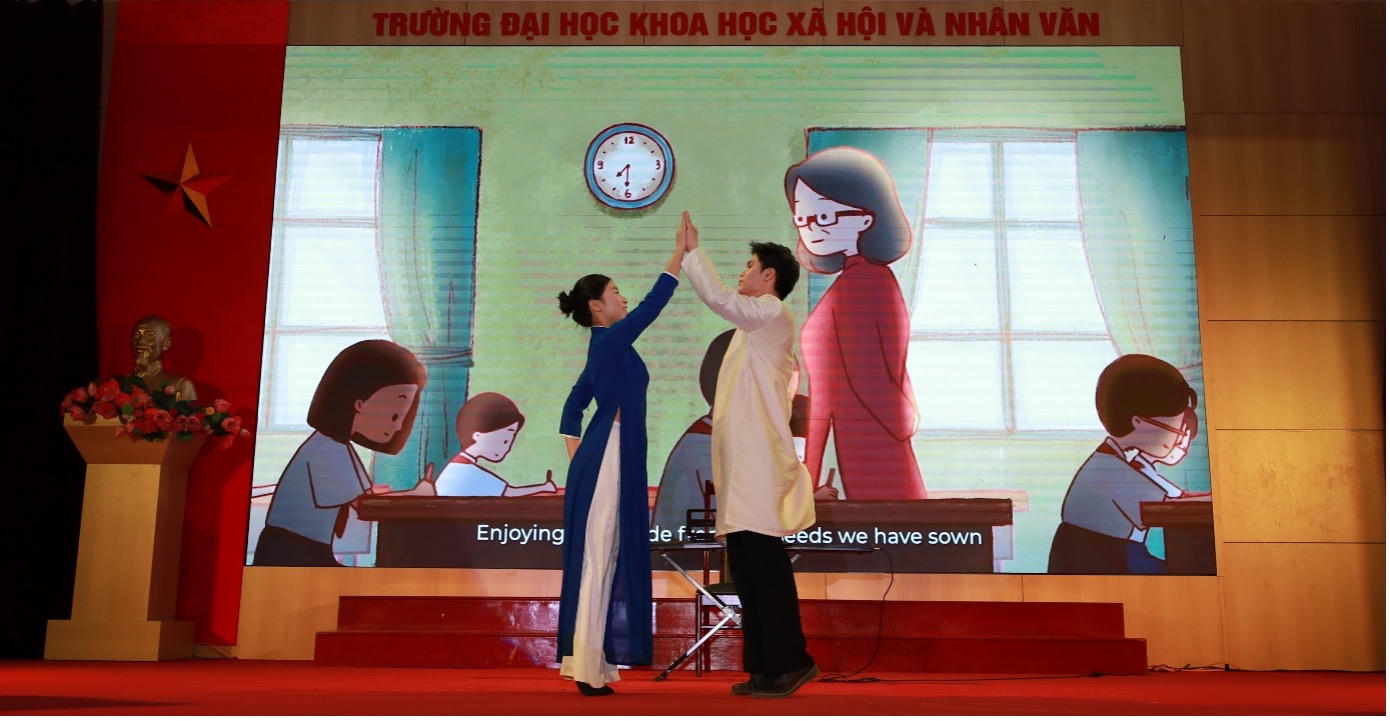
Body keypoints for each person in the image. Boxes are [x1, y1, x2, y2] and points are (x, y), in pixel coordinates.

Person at [677, 210, 818, 698]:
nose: (743, 273)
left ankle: (792, 662)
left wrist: (693, 253)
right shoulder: (751, 327)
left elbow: (720, 298)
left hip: (757, 463)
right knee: (748, 569)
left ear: (769, 276)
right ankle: (764, 667)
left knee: (764, 567)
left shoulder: (770, 313)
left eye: (750, 266)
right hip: (741, 464)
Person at [553, 228, 684, 696]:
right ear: (597, 307)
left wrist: (577, 456)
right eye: (615, 292)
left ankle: (593, 662)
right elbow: (652, 306)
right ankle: (586, 666)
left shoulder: (609, 348)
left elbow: (573, 405)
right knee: (598, 556)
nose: (623, 298)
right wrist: (679, 254)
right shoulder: (608, 341)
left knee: (606, 555)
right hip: (607, 455)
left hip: (609, 455)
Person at [785, 147, 924, 500]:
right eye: (803, 218)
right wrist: (809, 476)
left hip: (872, 445)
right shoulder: (851, 284)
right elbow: (825, 395)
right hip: (855, 441)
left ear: (865, 218)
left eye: (825, 215)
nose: (812, 228)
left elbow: (878, 377)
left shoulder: (867, 282)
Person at [254, 340, 431, 567]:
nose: (398, 426)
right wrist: (417, 494)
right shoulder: (327, 449)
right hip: (290, 554)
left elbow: (362, 497)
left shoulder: (337, 445)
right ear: (359, 403)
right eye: (395, 415)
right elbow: (365, 505)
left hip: (304, 549)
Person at [1048, 354, 1200, 574]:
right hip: (1103, 562)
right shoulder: (1108, 468)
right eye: (1174, 431)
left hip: (1115, 556)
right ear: (1138, 421)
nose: (1177, 441)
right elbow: (1170, 507)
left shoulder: (1116, 459)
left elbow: (1177, 499)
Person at [434, 392, 556, 497]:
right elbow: (509, 492)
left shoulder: (459, 466)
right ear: (477, 435)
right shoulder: (466, 471)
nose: (507, 448)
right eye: (504, 441)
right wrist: (544, 487)